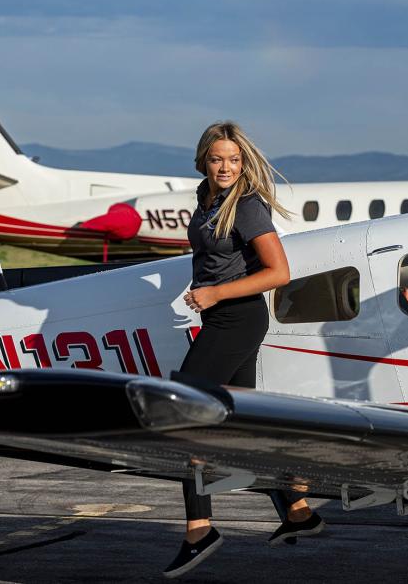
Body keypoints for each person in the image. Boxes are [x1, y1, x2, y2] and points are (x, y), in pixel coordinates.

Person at [162, 121, 325, 578]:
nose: (226, 167)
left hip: (238, 317)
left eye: (234, 159)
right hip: (222, 318)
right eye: (218, 159)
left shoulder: (248, 206)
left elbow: (279, 272)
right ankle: (297, 510)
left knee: (183, 413)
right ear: (203, 161)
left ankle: (200, 529)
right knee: (242, 422)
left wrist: (215, 293)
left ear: (244, 162)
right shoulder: (204, 197)